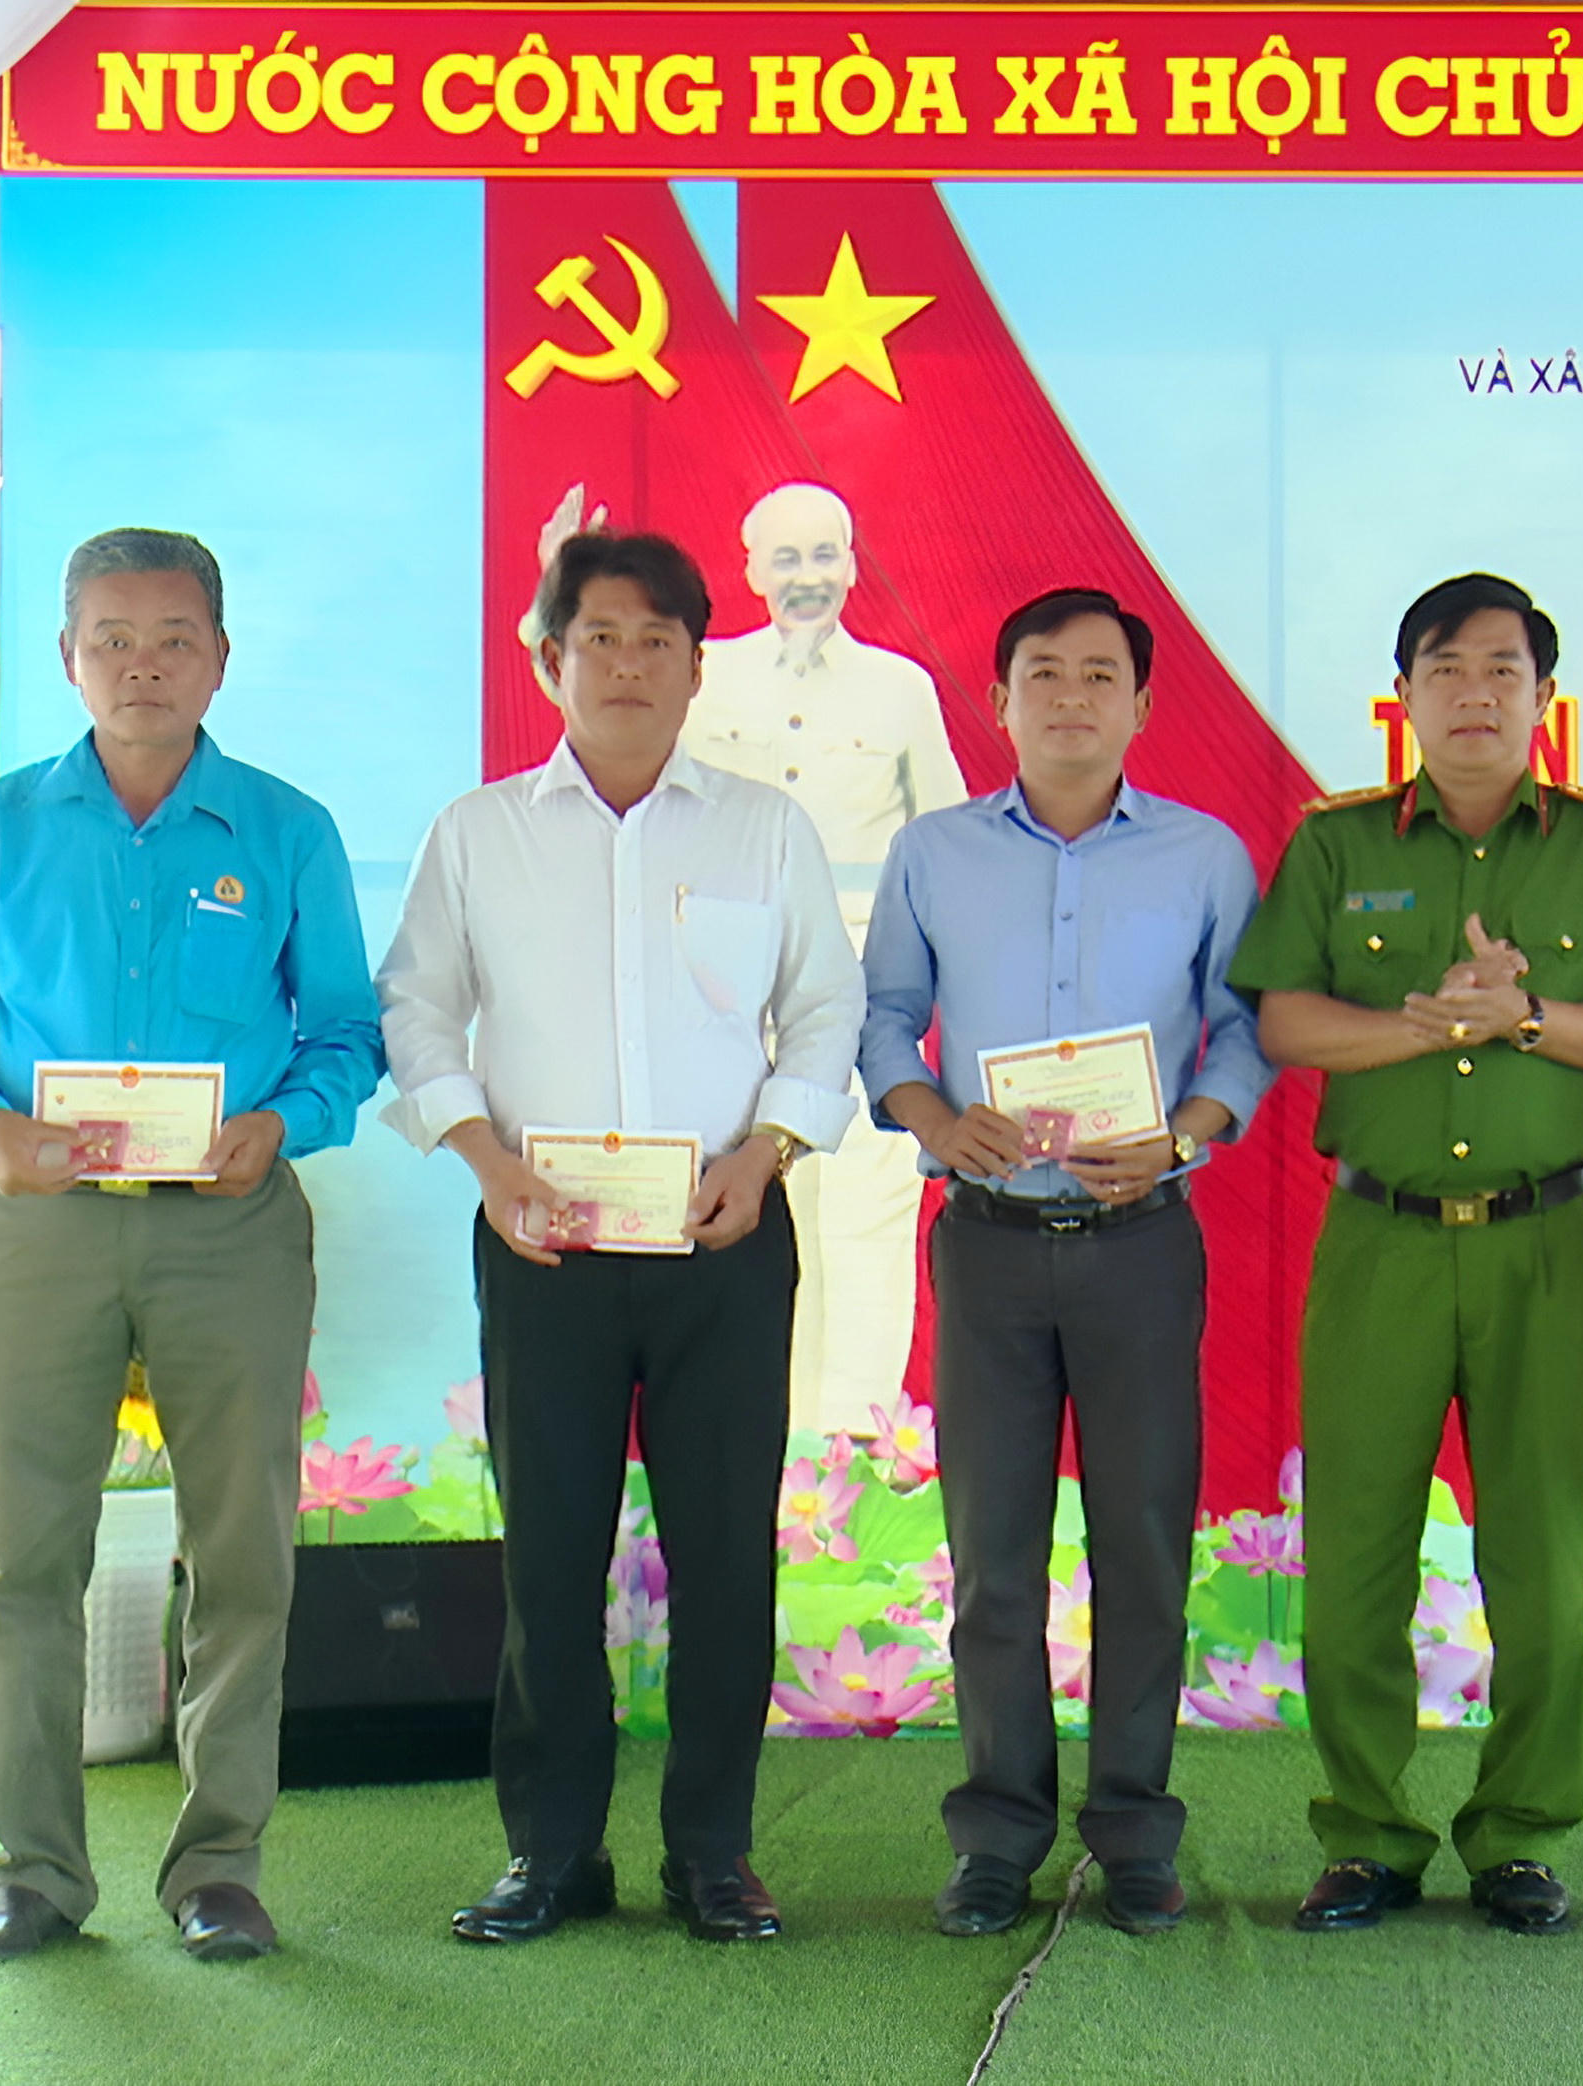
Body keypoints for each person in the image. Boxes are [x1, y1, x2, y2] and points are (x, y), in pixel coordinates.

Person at [0, 527, 384, 1963]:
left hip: (230, 1227)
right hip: (39, 1226)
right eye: (112, 638)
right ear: (67, 656)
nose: (142, 664)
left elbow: (346, 1037)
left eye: (173, 639)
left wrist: (282, 1126)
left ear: (220, 660)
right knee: (23, 1560)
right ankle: (34, 1872)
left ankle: (217, 1866)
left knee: (242, 1555)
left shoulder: (285, 830)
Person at [380, 531, 865, 1946]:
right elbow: (417, 1007)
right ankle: (551, 1853)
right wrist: (486, 1163)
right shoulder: (478, 833)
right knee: (548, 1558)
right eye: (601, 636)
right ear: (550, 658)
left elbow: (823, 1010)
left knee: (726, 1559)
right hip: (545, 1246)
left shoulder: (764, 828)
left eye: (660, 640)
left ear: (699, 666)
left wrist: (766, 1154)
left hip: (725, 1236)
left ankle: (713, 1853)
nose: (631, 665)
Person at [1229, 573, 1583, 1936]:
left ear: (1545, 695)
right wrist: (1433, 1024)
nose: (1475, 694)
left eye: (1504, 669)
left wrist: (1525, 1013)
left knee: (1542, 1561)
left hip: (1544, 1240)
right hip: (1376, 1239)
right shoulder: (1335, 845)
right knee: (1354, 1558)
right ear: (1404, 695)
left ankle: (1521, 1836)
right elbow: (1285, 1022)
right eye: (1445, 668)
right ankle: (1367, 1835)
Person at [856, 587, 1272, 1940]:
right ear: (999, 701)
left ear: (1142, 704)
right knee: (992, 1558)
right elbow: (885, 1017)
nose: (1072, 697)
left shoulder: (1204, 855)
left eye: (1101, 674)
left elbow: (1243, 1030)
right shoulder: (933, 852)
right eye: (1044, 673)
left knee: (1142, 1546)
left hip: (1141, 1242)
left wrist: (1184, 1134)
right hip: (985, 1241)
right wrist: (932, 1117)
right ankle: (997, 1836)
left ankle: (1136, 1833)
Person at [533, 479, 964, 1441]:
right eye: (786, 557)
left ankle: (856, 1448)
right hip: (717, 1003)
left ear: (852, 565)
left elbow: (947, 847)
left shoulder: (900, 690)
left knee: (865, 1220)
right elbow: (592, 709)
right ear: (752, 569)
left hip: (860, 1000)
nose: (807, 576)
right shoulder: (701, 673)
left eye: (825, 554)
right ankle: (771, 1448)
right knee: (751, 1216)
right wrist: (556, 586)